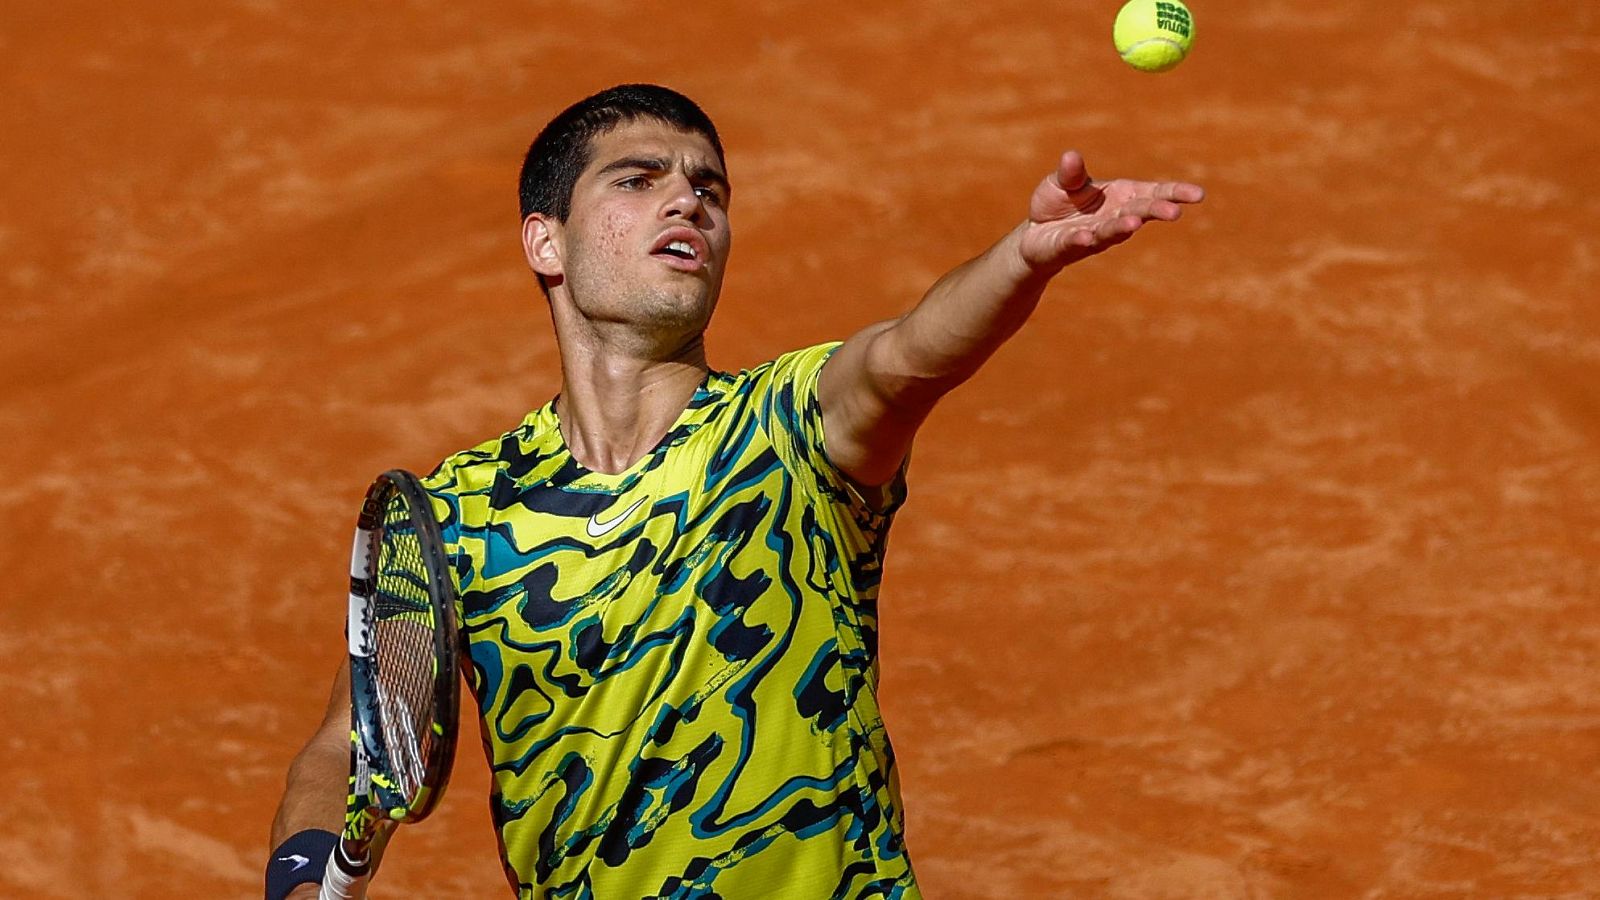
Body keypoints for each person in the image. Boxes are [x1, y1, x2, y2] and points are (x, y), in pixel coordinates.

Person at [266, 83, 1203, 900]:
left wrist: (1022, 258)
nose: (688, 199)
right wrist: (303, 882)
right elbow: (354, 740)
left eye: (708, 188)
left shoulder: (788, 429)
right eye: (638, 180)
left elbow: (906, 357)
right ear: (545, 242)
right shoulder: (463, 514)